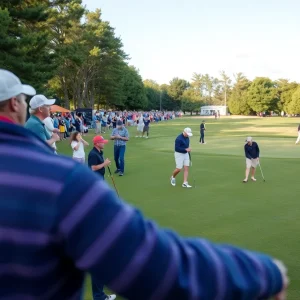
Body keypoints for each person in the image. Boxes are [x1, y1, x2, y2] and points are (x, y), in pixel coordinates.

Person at [0, 69, 289, 300]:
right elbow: (149, 265)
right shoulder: (61, 179)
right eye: (24, 100)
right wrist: (264, 274)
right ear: (15, 104)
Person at [87, 135, 115, 300]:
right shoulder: (92, 153)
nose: (104, 144)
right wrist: (104, 164)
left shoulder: (97, 151)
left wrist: (104, 163)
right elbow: (92, 168)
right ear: (97, 143)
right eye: (102, 142)